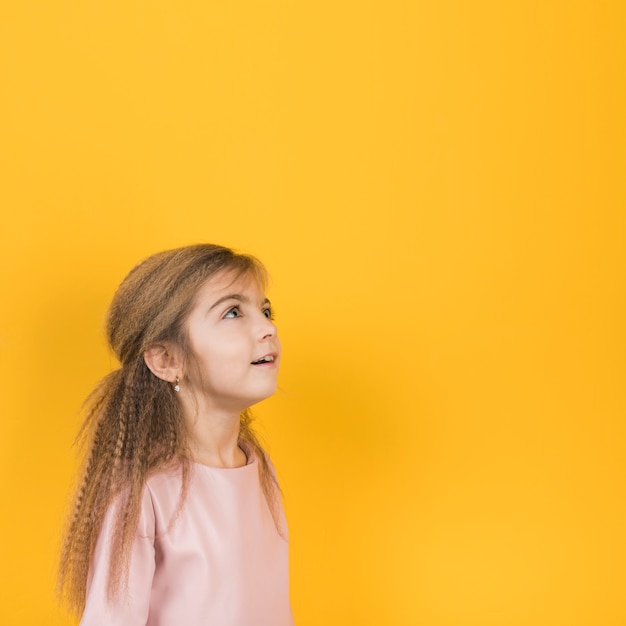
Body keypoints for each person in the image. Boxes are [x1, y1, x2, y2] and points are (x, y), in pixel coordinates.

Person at [58, 244, 293, 625]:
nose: (269, 327)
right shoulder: (144, 488)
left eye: (265, 311)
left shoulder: (257, 465)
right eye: (233, 312)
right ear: (167, 360)